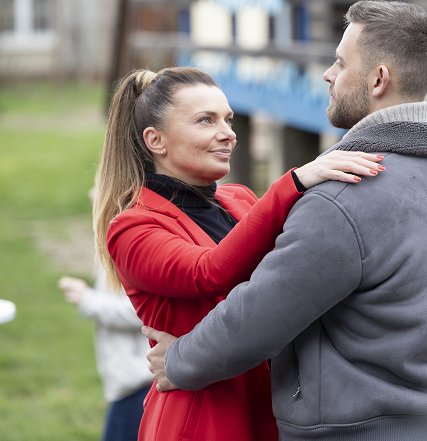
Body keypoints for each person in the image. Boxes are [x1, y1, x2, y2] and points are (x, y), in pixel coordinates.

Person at [144, 2, 427, 440]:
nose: (327, 74)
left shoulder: (346, 195)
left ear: (379, 79)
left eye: (341, 63)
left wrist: (179, 361)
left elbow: (260, 314)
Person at [94, 65, 384, 441]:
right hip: (203, 416)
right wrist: (294, 182)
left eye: (228, 120)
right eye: (205, 120)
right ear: (156, 140)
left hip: (271, 403)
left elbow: (299, 270)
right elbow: (208, 272)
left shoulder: (240, 199)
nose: (228, 134)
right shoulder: (132, 227)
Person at [58, 267, 152, 441]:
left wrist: (87, 299)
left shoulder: (131, 243)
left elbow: (143, 309)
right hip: (130, 378)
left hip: (140, 378)